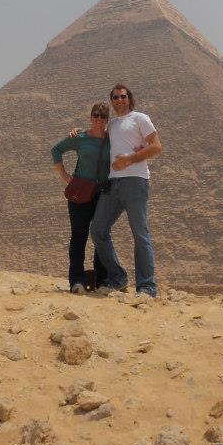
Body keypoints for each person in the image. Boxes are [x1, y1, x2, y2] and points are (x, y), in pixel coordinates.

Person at [90, 82, 162, 297]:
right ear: (111, 101)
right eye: (115, 97)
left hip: (135, 181)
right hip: (114, 183)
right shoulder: (111, 124)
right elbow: (94, 134)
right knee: (98, 229)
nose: (119, 100)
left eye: (123, 96)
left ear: (129, 98)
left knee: (140, 233)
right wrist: (75, 134)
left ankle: (147, 286)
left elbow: (156, 146)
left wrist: (129, 159)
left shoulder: (140, 118)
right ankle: (118, 277)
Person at [51, 103, 110, 294]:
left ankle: (102, 281)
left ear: (107, 120)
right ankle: (76, 281)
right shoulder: (80, 137)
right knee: (79, 235)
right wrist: (65, 176)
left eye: (103, 116)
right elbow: (56, 150)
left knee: (101, 235)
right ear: (91, 117)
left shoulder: (113, 139)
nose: (98, 119)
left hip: (103, 194)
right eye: (96, 115)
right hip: (81, 193)